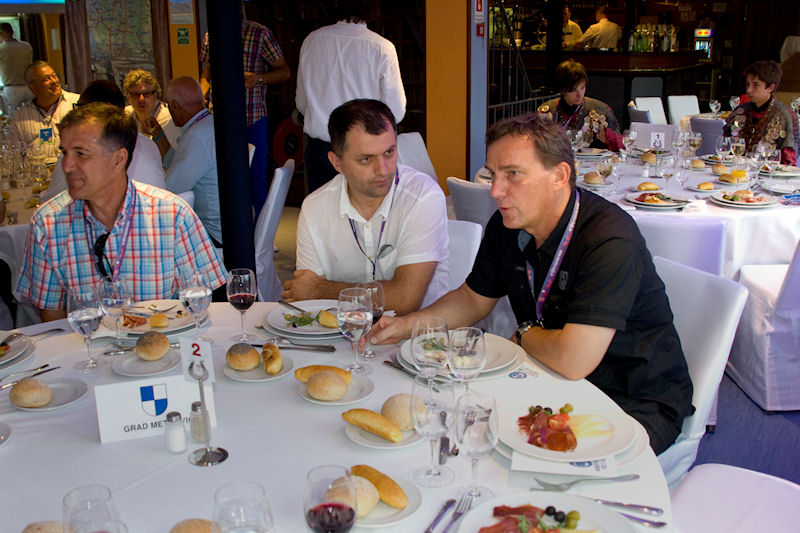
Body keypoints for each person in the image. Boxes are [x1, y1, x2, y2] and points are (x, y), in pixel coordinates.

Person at [371, 113, 693, 455]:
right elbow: (471, 299)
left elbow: (574, 359)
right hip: (552, 382)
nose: (495, 191)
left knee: (501, 457)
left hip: (632, 400)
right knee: (457, 432)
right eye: (493, 175)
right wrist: (407, 325)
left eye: (513, 174)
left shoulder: (608, 240)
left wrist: (524, 333)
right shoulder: (506, 225)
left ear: (559, 176)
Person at [17, 102, 225, 322]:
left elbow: (204, 304)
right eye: (64, 153)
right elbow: (52, 315)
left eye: (81, 153)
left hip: (164, 340)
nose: (66, 165)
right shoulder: (48, 223)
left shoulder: (173, 215)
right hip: (88, 343)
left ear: (118, 160)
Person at [282, 99, 448, 315]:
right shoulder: (314, 207)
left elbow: (406, 298)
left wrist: (320, 290)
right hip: (341, 330)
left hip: (417, 332)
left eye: (389, 152)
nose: (383, 170)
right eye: (366, 159)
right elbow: (308, 298)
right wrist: (314, 291)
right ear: (336, 162)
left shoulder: (422, 196)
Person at [296, 0, 406, 193]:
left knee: (322, 210)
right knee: (366, 211)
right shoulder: (381, 47)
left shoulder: (311, 41)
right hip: (366, 150)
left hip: (322, 149)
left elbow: (302, 103)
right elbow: (395, 111)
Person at [199, 2, 291, 215]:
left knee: (255, 179)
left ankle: (260, 229)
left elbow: (284, 71)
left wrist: (258, 78)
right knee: (220, 177)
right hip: (218, 120)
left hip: (252, 119)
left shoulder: (261, 33)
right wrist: (201, 93)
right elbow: (207, 71)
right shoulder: (211, 35)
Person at [43, 79, 166, 202]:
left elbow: (50, 199)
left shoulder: (77, 150)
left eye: (79, 108)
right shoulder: (148, 143)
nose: (77, 114)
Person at [151, 76, 222, 246]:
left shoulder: (196, 137)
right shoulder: (212, 124)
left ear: (175, 106)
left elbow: (170, 190)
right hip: (234, 225)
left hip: (214, 233)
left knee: (151, 233)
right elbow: (173, 163)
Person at [724, 60, 798, 165]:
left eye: (755, 85)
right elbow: (725, 147)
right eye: (747, 84)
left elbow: (788, 161)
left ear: (771, 88)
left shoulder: (784, 115)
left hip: (769, 172)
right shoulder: (740, 111)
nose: (749, 90)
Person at [539, 60, 623, 151]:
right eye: (573, 90)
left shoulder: (600, 110)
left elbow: (620, 145)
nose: (579, 95)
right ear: (562, 89)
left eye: (582, 87)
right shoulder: (547, 110)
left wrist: (610, 139)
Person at [10, 60, 79, 165]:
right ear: (33, 88)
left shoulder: (76, 104)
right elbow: (14, 155)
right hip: (36, 172)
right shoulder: (20, 117)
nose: (54, 81)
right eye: (47, 79)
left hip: (69, 169)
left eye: (54, 76)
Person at [122, 69, 180, 160]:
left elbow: (173, 158)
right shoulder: (125, 115)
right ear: (128, 97)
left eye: (146, 94)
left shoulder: (169, 118)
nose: (141, 99)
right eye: (136, 95)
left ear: (155, 95)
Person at [0, 22, 33, 111]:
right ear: (12, 32)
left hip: (12, 89)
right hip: (29, 88)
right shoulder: (27, 46)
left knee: (14, 116)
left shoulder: (1, 49)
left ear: (1, 34)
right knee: (31, 114)